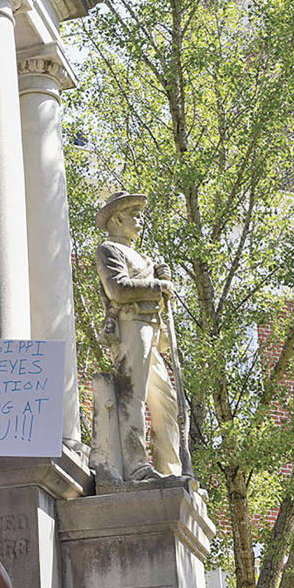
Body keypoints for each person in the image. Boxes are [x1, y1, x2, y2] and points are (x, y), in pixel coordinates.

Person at [95, 191, 182, 482]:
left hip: (152, 326)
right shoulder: (109, 250)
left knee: (166, 401)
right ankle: (136, 465)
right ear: (117, 219)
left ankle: (171, 469)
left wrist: (161, 283)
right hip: (131, 323)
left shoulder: (143, 257)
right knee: (133, 393)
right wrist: (157, 285)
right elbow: (117, 289)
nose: (139, 220)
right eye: (134, 215)